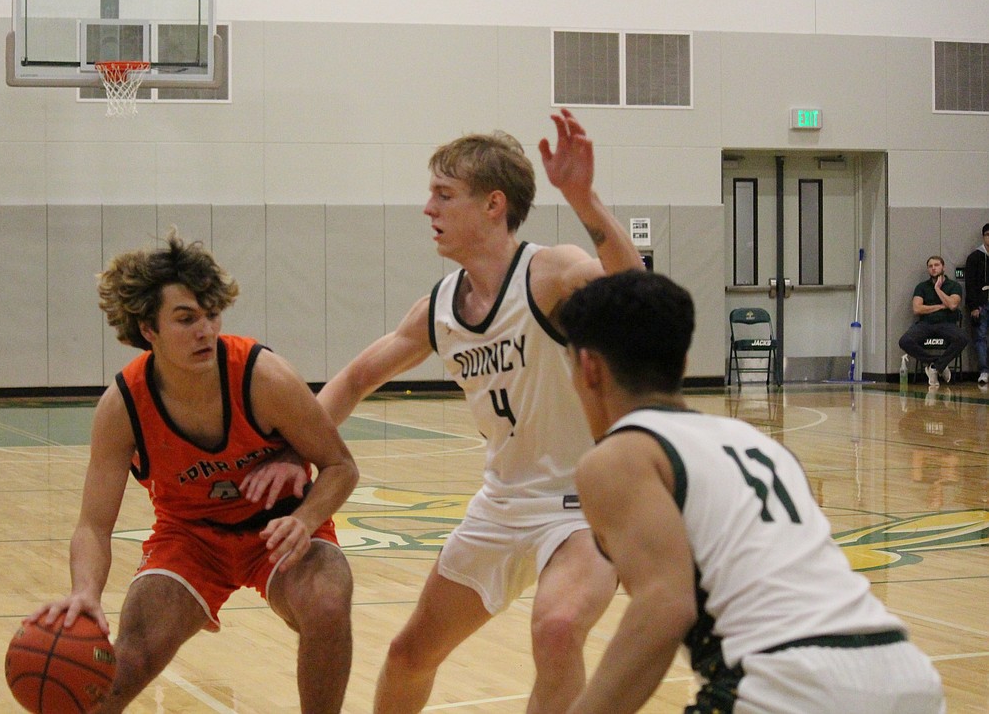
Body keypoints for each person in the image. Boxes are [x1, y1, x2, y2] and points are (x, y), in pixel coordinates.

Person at [312, 108, 644, 713]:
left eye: (444, 194)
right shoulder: (440, 306)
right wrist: (288, 452)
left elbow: (636, 294)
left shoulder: (551, 272)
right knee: (410, 654)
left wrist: (584, 198)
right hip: (501, 504)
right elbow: (358, 377)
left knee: (558, 629)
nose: (428, 209)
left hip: (584, 504)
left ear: (494, 205)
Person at [559, 270, 946, 714]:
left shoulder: (618, 456)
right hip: (905, 672)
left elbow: (664, 606)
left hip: (787, 684)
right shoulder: (765, 445)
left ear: (588, 367)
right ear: (683, 363)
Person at [29, 232, 360, 714]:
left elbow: (341, 466)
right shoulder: (123, 406)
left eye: (211, 315)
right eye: (186, 319)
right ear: (149, 329)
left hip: (278, 530)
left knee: (328, 606)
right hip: (190, 540)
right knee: (126, 663)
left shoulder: (261, 376)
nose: (205, 330)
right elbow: (94, 525)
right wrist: (86, 592)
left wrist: (305, 520)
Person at [898, 255, 968, 387]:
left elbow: (953, 305)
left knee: (963, 338)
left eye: (936, 265)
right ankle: (935, 364)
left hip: (946, 324)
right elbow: (917, 309)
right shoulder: (922, 287)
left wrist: (937, 289)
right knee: (905, 341)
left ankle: (936, 368)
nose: (933, 268)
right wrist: (940, 306)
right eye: (930, 266)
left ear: (943, 267)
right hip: (926, 324)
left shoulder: (954, 286)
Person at [964, 223, 989, 385]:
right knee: (980, 338)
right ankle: (984, 371)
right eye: (988, 234)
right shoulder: (975, 257)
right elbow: (970, 284)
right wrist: (973, 306)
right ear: (983, 236)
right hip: (982, 304)